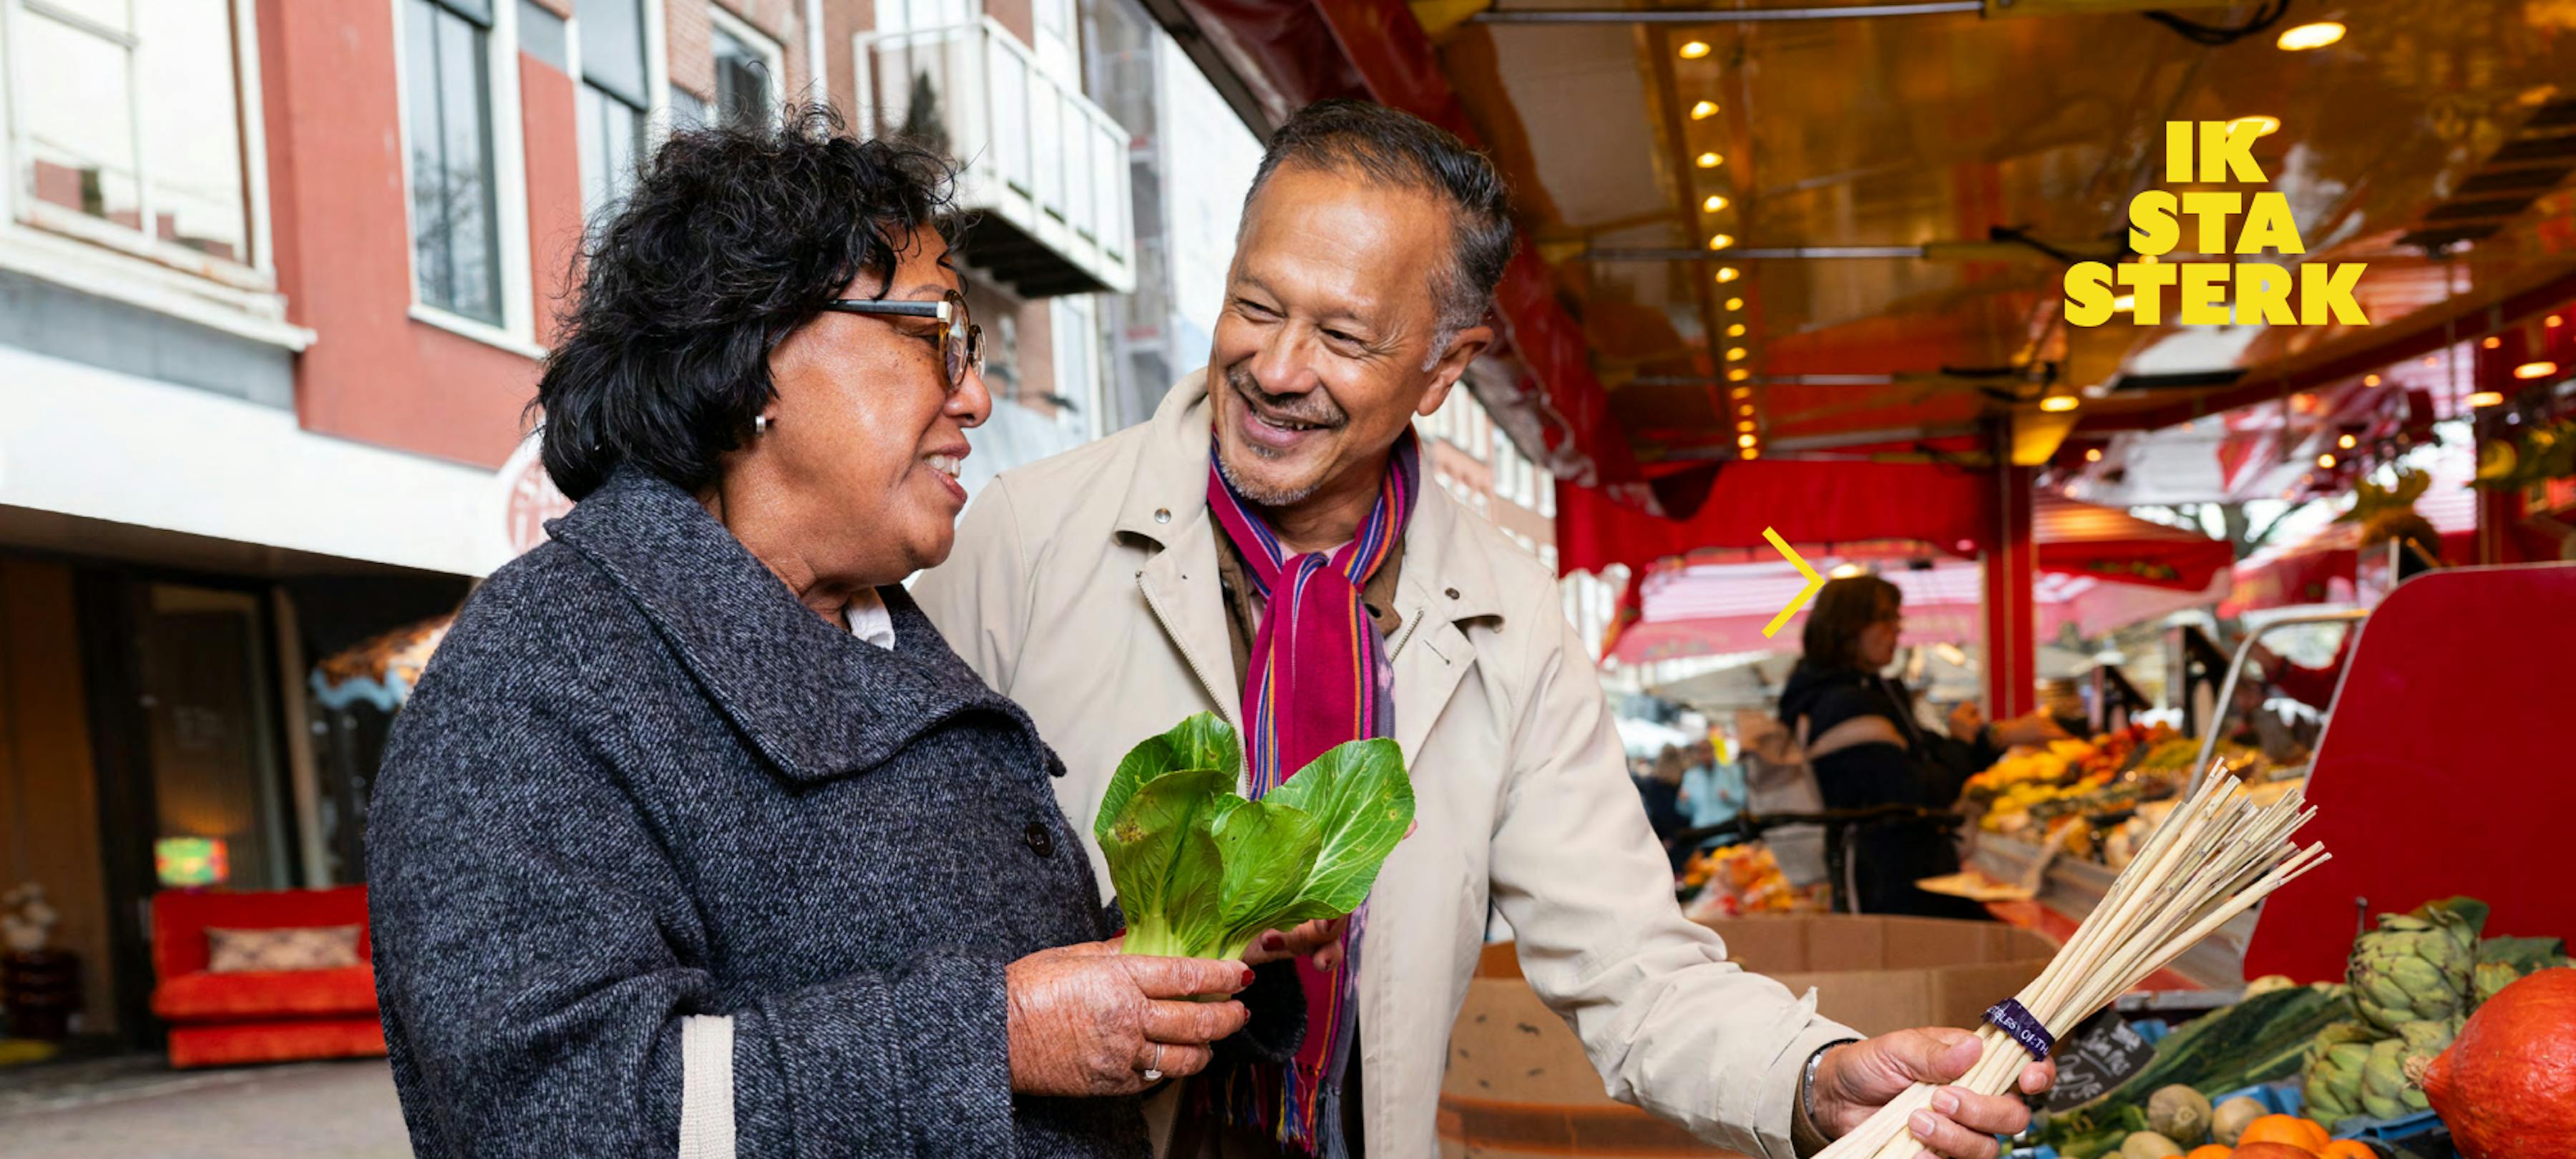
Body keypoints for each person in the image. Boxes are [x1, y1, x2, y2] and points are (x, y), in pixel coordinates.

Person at [914, 99, 2049, 1159]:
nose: (1274, 369)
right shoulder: (1022, 539)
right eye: (1256, 305)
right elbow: (896, 931)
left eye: (1346, 338)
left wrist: (1815, 1076)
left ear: (1445, 366)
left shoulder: (1507, 609)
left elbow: (1633, 971)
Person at [366, 109, 1306, 1158]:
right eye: (937, 332)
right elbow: (553, 1117)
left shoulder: (892, 641)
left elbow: (1002, 1001)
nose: (979, 397)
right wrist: (993, 1040)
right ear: (758, 350)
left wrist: (1172, 964)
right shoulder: (539, 676)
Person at [1775, 576, 2060, 921]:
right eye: (1886, 618)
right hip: (1893, 886)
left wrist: (1994, 738)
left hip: (1902, 878)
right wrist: (1962, 741)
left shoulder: (1863, 694)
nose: (1897, 630)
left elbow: (1927, 753)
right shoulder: (1844, 705)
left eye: (1898, 619)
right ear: (1849, 627)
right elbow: (1917, 792)